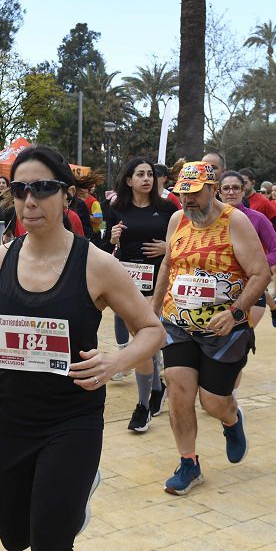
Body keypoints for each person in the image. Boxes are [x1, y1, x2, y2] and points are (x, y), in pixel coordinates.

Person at [0, 145, 164, 551]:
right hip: (13, 416)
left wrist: (115, 361)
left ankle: (67, 504)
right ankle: (70, 506)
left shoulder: (97, 264)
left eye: (42, 188)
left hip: (72, 419)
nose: (30, 200)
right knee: (14, 537)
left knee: (50, 544)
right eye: (20, 190)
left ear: (67, 194)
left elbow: (151, 330)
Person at [150, 161, 270, 495]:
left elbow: (261, 273)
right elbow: (168, 264)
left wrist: (235, 313)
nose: (187, 200)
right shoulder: (177, 219)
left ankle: (231, 419)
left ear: (213, 189)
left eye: (194, 193)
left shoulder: (236, 221)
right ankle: (188, 462)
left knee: (213, 403)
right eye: (182, 194)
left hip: (224, 331)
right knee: (178, 391)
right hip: (178, 324)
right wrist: (153, 310)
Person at [102, 157, 178, 432]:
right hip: (127, 281)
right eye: (140, 174)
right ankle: (156, 389)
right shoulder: (116, 208)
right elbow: (104, 246)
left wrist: (167, 248)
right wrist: (111, 238)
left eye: (150, 174)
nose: (147, 178)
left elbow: (184, 242)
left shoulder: (168, 208)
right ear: (129, 180)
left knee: (143, 339)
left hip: (158, 281)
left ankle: (143, 405)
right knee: (145, 341)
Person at [219, 171, 276, 328]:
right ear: (219, 192)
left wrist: (254, 265)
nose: (231, 192)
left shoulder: (258, 218)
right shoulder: (208, 219)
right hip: (219, 289)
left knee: (241, 338)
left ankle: (274, 308)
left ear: (243, 191)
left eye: (236, 188)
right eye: (226, 188)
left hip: (251, 287)